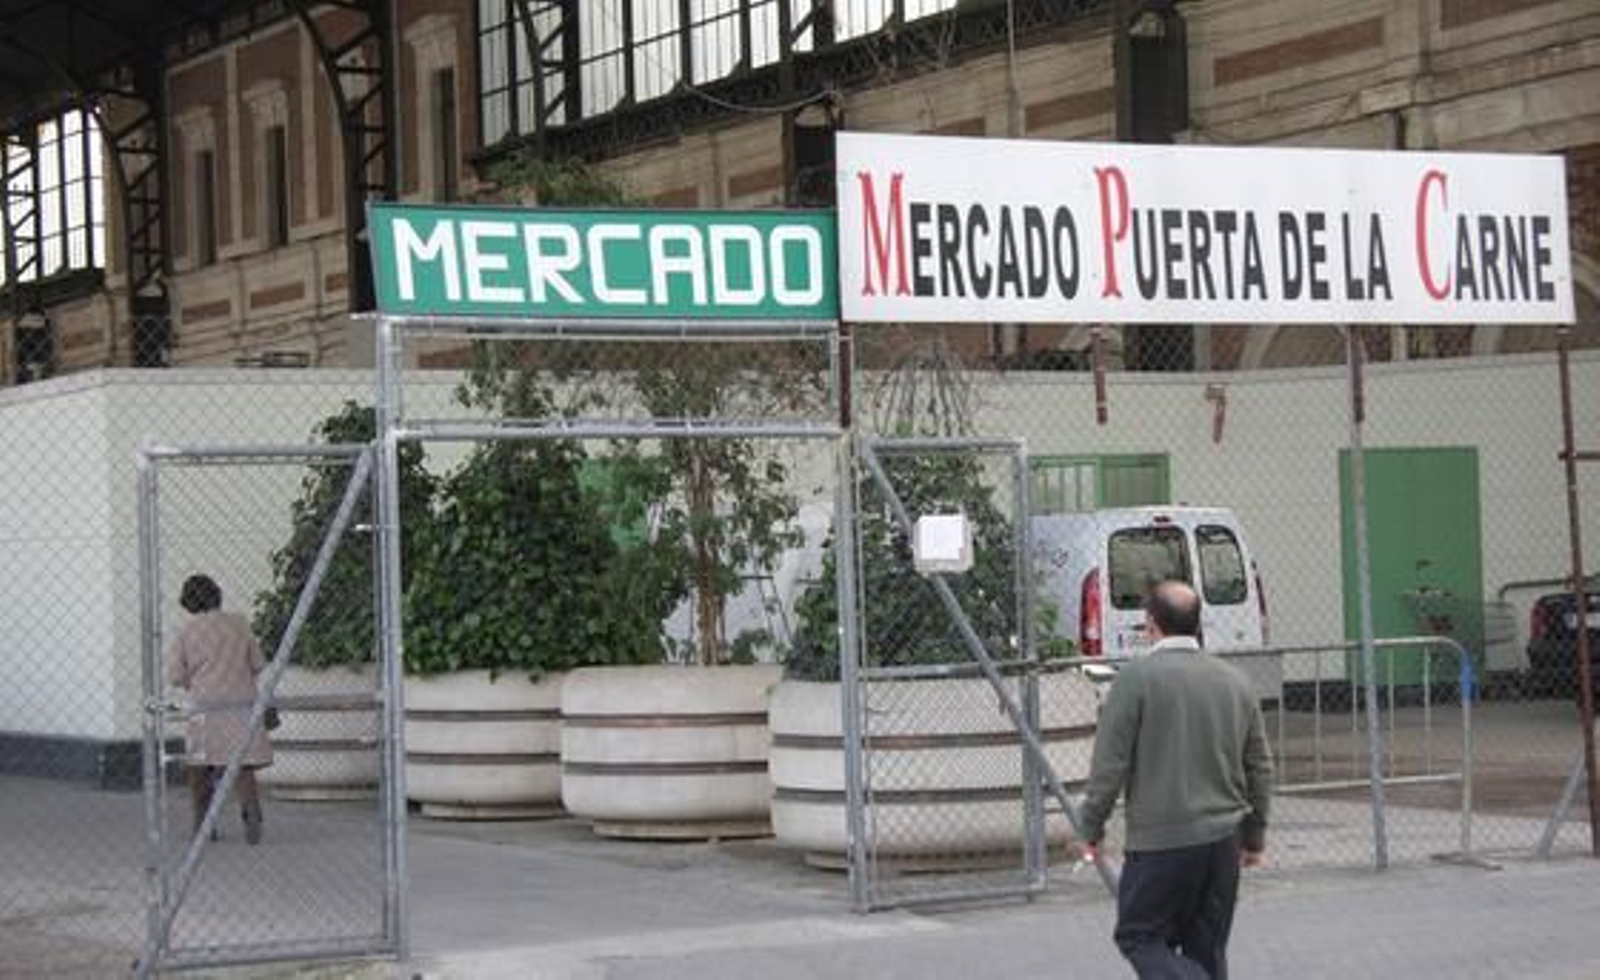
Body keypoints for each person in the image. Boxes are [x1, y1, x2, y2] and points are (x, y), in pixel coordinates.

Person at [1079, 580, 1273, 979]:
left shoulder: (1135, 679)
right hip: (1223, 840)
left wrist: (1091, 828)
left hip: (1161, 841)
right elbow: (1259, 766)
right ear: (1197, 623)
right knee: (1207, 948)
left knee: (1139, 936)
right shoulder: (1235, 681)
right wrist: (1254, 837)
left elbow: (1109, 766)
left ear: (1151, 624)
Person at [168, 573, 273, 845]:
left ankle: (202, 825)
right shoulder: (239, 624)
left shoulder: (187, 631)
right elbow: (258, 663)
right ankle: (251, 810)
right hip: (241, 704)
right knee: (242, 764)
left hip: (205, 708)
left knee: (199, 768)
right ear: (217, 595)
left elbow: (176, 676)